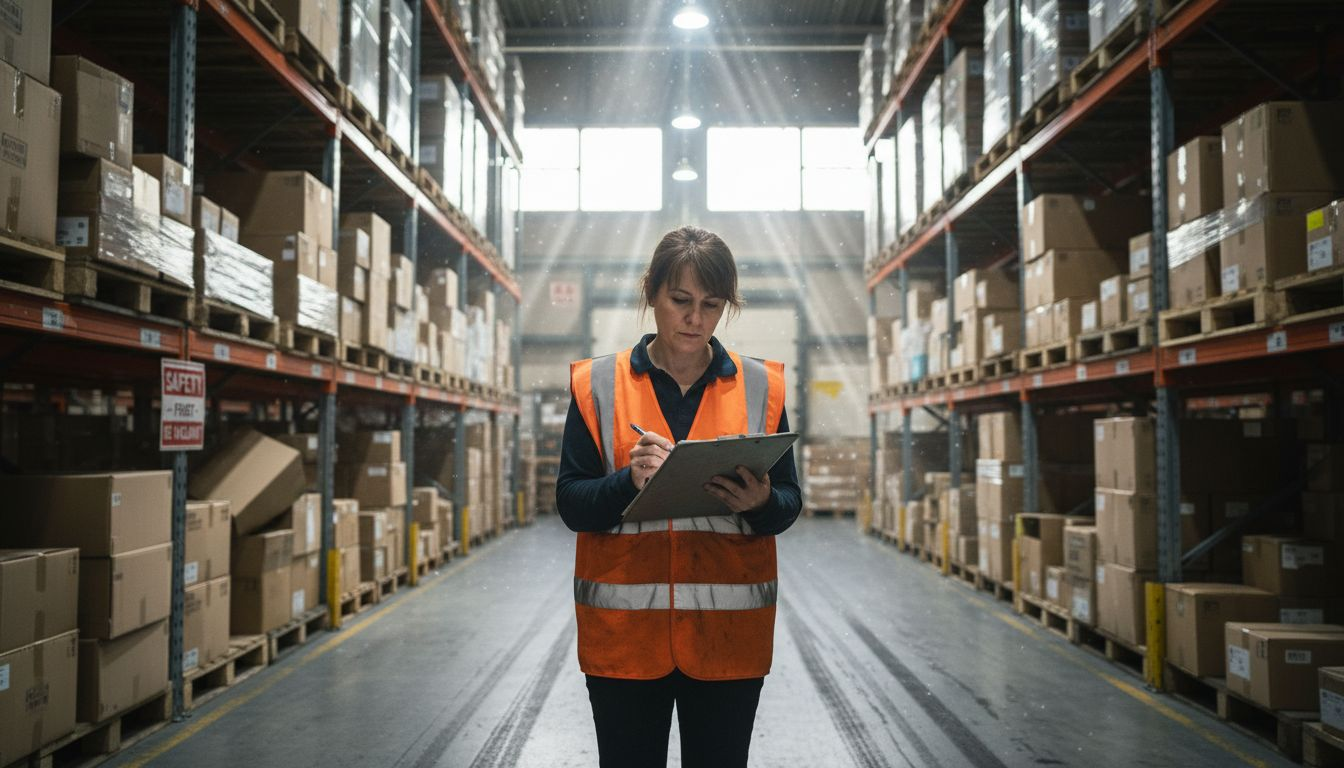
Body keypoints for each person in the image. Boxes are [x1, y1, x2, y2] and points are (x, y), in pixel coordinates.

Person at [556, 226, 803, 768]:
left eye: (711, 305)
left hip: (727, 642)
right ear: (652, 295)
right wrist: (627, 481)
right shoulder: (598, 385)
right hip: (624, 641)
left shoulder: (763, 389)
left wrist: (759, 503)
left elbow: (788, 504)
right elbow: (571, 502)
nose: (695, 318)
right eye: (681, 301)